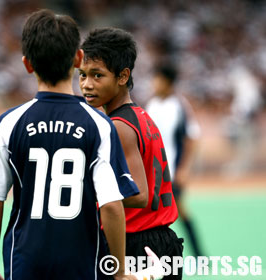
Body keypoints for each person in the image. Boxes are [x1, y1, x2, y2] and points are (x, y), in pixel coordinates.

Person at [0, 9, 140, 280]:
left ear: (27, 64)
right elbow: (111, 205)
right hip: (80, 263)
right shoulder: (99, 125)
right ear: (78, 58)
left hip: (24, 260)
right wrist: (119, 273)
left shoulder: (9, 123)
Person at [79, 27, 183, 279]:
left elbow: (138, 194)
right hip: (159, 242)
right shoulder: (141, 116)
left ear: (123, 76)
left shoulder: (119, 126)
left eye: (97, 75)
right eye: (82, 75)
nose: (86, 84)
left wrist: (83, 191)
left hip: (137, 246)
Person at [146, 63, 204, 257]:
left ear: (168, 82)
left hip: (172, 170)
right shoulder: (152, 104)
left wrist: (184, 168)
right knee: (153, 213)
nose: (154, 83)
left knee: (180, 211)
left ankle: (199, 256)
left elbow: (192, 138)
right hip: (153, 171)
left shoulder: (180, 105)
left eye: (158, 79)